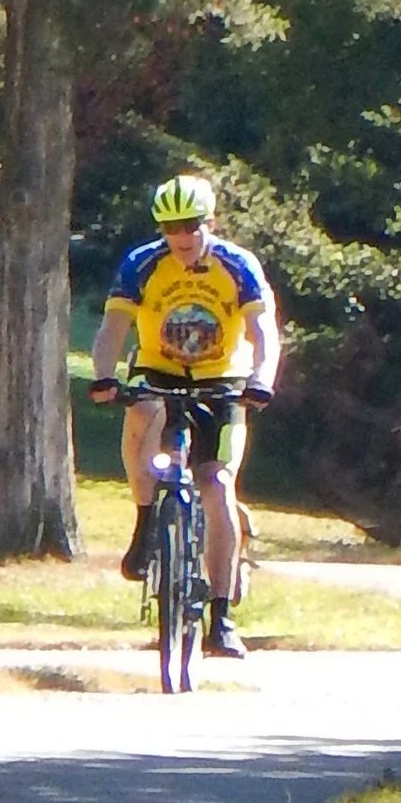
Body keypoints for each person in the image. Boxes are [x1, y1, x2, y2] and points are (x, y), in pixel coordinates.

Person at [88, 171, 279, 660]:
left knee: (216, 485)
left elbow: (263, 330)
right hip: (160, 369)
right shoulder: (142, 264)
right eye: (171, 228)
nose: (182, 237)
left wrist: (261, 379)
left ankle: (221, 615)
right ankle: (146, 519)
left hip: (223, 378)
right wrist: (104, 375)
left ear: (209, 222)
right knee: (142, 412)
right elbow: (113, 326)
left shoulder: (237, 265)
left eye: (191, 226)